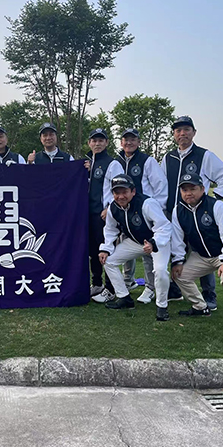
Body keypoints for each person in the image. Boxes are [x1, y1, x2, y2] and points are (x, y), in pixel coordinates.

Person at [161, 116, 223, 310]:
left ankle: (209, 295)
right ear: (174, 134)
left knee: (203, 252)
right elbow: (161, 184)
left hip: (198, 213)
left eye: (186, 129)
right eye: (178, 130)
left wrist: (214, 200)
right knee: (174, 250)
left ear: (194, 132)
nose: (182, 133)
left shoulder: (204, 155)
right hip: (175, 213)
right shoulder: (168, 158)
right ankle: (176, 290)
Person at [170, 172, 223, 336]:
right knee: (179, 276)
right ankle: (200, 307)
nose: (188, 193)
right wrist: (177, 261)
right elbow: (177, 239)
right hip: (202, 256)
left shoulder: (217, 206)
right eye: (184, 190)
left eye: (192, 189)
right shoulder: (178, 210)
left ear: (202, 189)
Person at [98, 175, 172, 321]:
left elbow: (164, 226)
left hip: (157, 242)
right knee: (108, 261)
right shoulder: (113, 207)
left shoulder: (147, 203)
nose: (120, 196)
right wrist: (105, 249)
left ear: (133, 191)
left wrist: (153, 242)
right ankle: (124, 297)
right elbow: (110, 229)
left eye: (124, 192)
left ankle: (162, 306)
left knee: (160, 271)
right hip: (136, 242)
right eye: (117, 192)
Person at [116, 128, 168, 305]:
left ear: (139, 142)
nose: (129, 143)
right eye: (126, 139)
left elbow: (160, 186)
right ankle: (128, 281)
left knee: (147, 250)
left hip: (145, 213)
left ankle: (150, 287)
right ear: (121, 142)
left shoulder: (147, 161)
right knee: (124, 245)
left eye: (133, 139)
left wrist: (154, 211)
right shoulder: (116, 161)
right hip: (123, 211)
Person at [84, 128, 124, 303]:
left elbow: (120, 189)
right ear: (89, 143)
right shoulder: (87, 163)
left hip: (104, 215)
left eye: (101, 140)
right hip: (89, 214)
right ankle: (97, 284)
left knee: (106, 251)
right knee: (93, 251)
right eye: (94, 140)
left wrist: (110, 207)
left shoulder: (113, 164)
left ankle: (111, 288)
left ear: (107, 142)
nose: (97, 144)